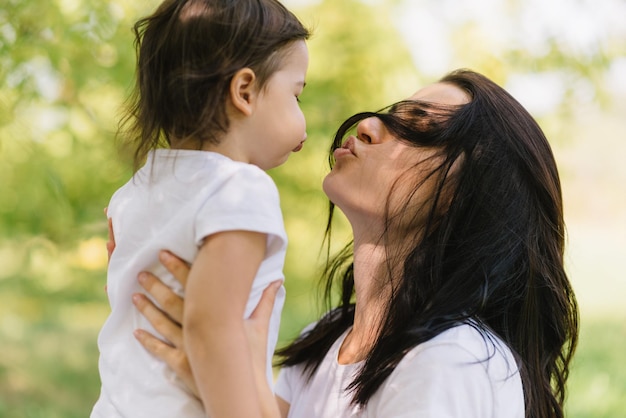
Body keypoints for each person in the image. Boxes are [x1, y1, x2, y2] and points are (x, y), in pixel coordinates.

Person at [129, 69, 579, 418]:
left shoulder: (452, 360)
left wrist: (216, 367)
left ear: (467, 194)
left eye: (418, 125)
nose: (366, 124)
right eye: (391, 114)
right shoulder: (323, 343)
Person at [91, 1, 309, 417]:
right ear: (244, 92)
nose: (303, 117)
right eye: (296, 94)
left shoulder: (132, 194)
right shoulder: (240, 188)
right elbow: (212, 328)